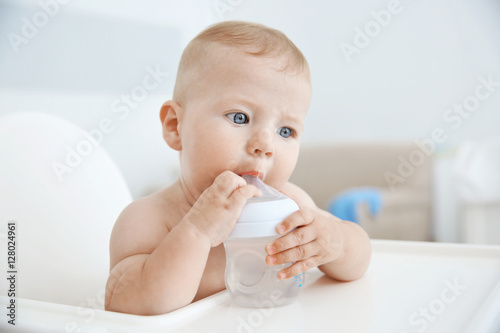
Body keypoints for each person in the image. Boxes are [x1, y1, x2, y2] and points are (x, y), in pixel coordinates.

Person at [104, 21, 371, 315]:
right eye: (240, 118)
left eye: (286, 131)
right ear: (175, 127)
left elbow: (360, 260)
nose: (265, 144)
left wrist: (336, 243)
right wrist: (197, 230)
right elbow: (129, 303)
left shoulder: (290, 207)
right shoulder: (149, 220)